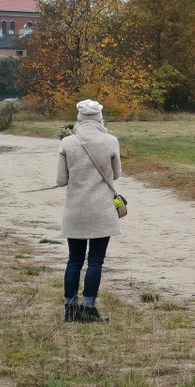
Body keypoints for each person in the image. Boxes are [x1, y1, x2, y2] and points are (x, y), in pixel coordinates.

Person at [56, 99, 123, 324]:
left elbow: (61, 180)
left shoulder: (67, 143)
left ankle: (70, 308)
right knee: (95, 260)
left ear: (79, 118)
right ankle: (89, 308)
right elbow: (117, 175)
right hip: (101, 209)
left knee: (74, 260)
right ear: (99, 118)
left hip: (75, 209)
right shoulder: (111, 141)